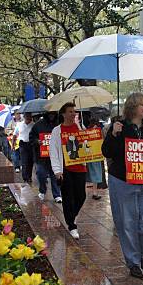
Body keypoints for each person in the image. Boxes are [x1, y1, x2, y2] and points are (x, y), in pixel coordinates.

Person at [102, 93, 143, 279]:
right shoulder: (119, 127)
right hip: (122, 180)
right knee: (127, 222)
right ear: (132, 107)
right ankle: (133, 262)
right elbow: (107, 152)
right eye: (141, 105)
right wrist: (113, 134)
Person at [50, 102, 87, 240]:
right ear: (63, 114)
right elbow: (53, 151)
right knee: (68, 197)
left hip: (80, 167)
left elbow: (87, 145)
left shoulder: (80, 128)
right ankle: (72, 225)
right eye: (70, 111)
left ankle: (72, 216)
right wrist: (57, 171)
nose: (73, 114)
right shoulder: (57, 131)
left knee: (81, 196)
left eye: (74, 111)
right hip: (65, 169)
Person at [31, 112, 62, 203]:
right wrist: (37, 141)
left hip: (55, 156)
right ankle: (42, 190)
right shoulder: (38, 125)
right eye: (50, 114)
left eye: (53, 114)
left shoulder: (59, 124)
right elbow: (32, 137)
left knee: (55, 175)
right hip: (41, 156)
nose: (51, 116)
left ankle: (57, 195)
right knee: (41, 173)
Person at [86, 117, 104, 200]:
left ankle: (94, 192)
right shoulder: (88, 131)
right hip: (92, 156)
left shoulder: (99, 131)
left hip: (93, 156)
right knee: (93, 174)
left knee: (95, 174)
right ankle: (94, 192)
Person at [17, 112, 35, 183]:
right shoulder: (19, 125)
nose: (28, 117)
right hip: (23, 144)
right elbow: (15, 135)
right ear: (24, 117)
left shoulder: (34, 125)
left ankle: (29, 176)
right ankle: (25, 177)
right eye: (26, 116)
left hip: (31, 144)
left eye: (29, 116)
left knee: (30, 161)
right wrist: (13, 144)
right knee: (24, 161)